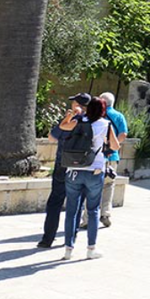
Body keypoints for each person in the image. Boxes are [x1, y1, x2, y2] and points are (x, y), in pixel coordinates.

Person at [59, 96, 118, 260]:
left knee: (71, 210)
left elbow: (63, 127)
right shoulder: (105, 125)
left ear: (87, 108)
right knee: (93, 210)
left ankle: (68, 249)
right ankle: (91, 249)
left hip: (74, 170)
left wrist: (70, 115)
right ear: (103, 110)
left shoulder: (79, 121)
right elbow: (115, 146)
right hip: (95, 171)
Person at [37, 93, 90, 249]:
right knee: (77, 203)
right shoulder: (94, 122)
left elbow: (52, 137)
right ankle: (71, 238)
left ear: (78, 106)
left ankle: (47, 239)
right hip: (81, 167)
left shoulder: (70, 122)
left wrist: (66, 118)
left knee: (55, 202)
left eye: (74, 103)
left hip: (63, 165)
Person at [98, 92, 127, 228]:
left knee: (91, 187)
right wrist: (112, 146)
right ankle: (106, 213)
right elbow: (123, 134)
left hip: (96, 156)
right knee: (109, 185)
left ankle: (86, 218)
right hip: (111, 156)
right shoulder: (118, 116)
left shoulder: (96, 115)